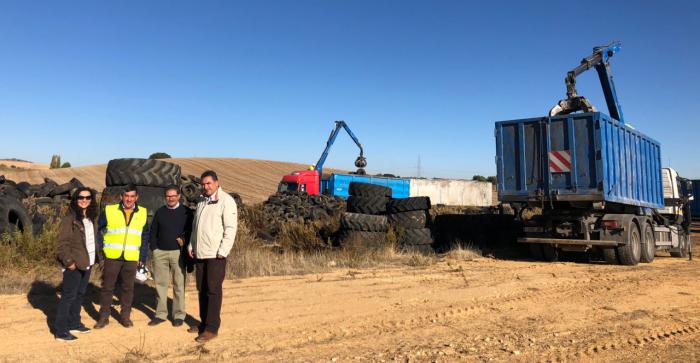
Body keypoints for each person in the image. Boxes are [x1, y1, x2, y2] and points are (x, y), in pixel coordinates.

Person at [187, 170, 237, 343]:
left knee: (213, 290)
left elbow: (230, 229)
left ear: (217, 183)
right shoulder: (202, 201)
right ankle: (203, 323)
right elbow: (196, 227)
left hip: (216, 255)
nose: (205, 187)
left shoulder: (226, 201)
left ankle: (212, 328)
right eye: (203, 184)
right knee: (201, 289)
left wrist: (223, 251)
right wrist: (191, 245)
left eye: (208, 183)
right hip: (200, 253)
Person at [94, 184, 149, 329]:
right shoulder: (109, 210)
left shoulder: (142, 212)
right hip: (112, 256)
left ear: (136, 197)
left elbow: (144, 236)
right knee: (107, 287)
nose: (129, 199)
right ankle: (103, 317)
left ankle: (125, 317)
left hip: (131, 257)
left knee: (128, 289)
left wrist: (142, 257)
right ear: (121, 197)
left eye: (132, 196)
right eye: (126, 196)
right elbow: (98, 230)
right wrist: (102, 251)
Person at [54, 187, 100, 342]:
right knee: (68, 296)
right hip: (74, 265)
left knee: (79, 295)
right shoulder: (69, 219)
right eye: (81, 197)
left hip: (88, 262)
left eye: (87, 198)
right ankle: (61, 331)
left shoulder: (92, 218)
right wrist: (69, 263)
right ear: (75, 199)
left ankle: (74, 323)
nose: (84, 200)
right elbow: (62, 244)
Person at [148, 185, 192, 327]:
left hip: (178, 253)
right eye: (168, 196)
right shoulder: (160, 212)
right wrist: (154, 249)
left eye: (173, 196)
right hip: (160, 252)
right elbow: (153, 231)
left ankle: (178, 315)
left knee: (179, 284)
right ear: (165, 197)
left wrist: (184, 241)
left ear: (179, 196)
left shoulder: (186, 212)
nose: (171, 198)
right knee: (160, 284)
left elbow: (191, 232)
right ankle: (161, 314)